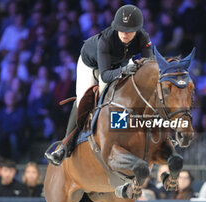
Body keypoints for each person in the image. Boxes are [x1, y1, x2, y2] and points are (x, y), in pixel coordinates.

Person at [45, 4, 153, 166]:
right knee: (83, 99)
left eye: (129, 31)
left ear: (138, 30)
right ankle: (64, 146)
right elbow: (105, 76)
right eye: (121, 29)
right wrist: (126, 70)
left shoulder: (143, 38)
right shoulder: (106, 40)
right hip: (91, 65)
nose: (124, 33)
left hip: (118, 64)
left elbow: (148, 66)